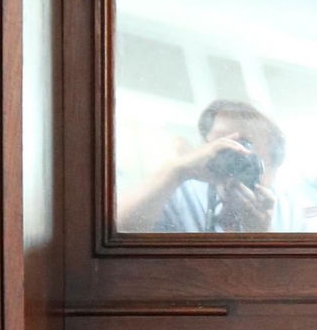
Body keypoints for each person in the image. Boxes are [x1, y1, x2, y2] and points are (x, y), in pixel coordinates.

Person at [116, 99, 291, 233]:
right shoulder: (181, 192)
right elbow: (115, 231)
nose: (229, 151)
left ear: (272, 156)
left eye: (243, 143)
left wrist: (262, 236)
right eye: (219, 142)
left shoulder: (292, 208)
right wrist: (175, 171)